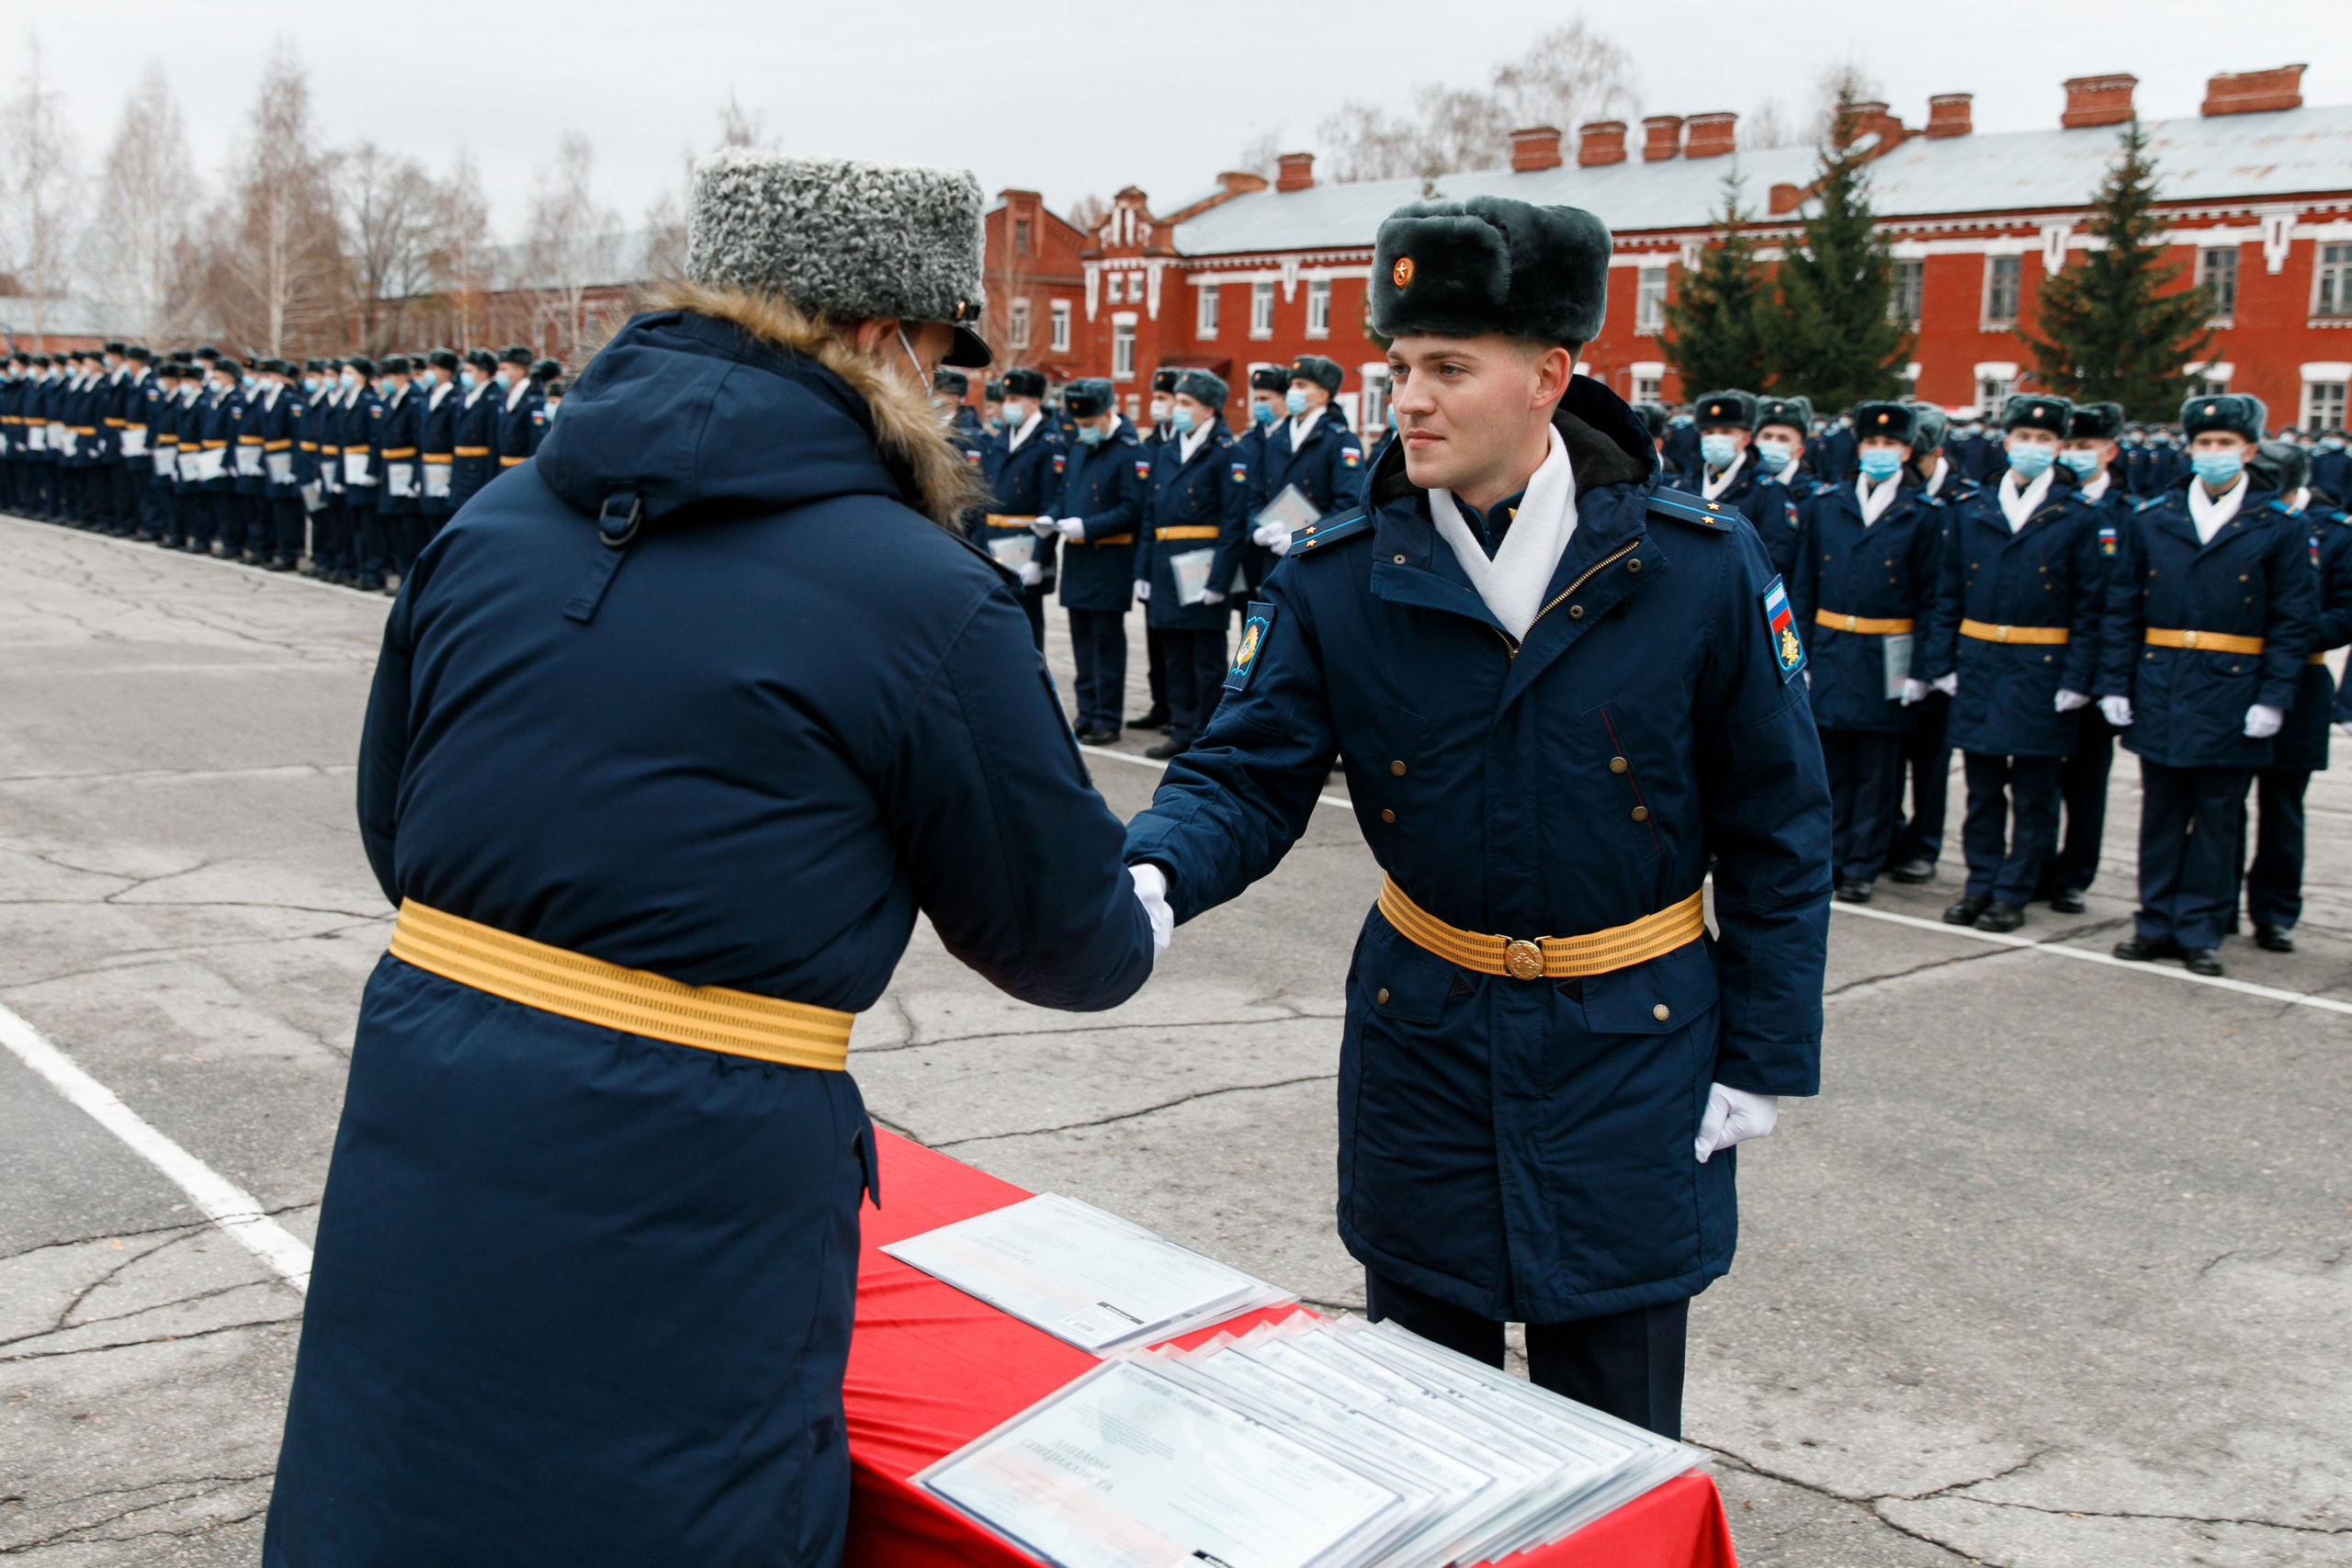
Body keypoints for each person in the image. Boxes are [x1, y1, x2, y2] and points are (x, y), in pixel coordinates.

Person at [265, 151, 1163, 1568]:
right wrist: (1154, 893)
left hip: (429, 1113)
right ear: (877, 341)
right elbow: (1065, 939)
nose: (946, 390)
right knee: (667, 1502)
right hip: (694, 1168)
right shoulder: (924, 592)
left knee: (404, 1469)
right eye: (937, 353)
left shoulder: (491, 526)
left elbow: (404, 835)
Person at [1125, 194, 1829, 1439]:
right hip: (1427, 1041)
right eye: (1399, 367)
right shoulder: (1340, 578)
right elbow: (1244, 771)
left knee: (1609, 1440)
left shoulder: (1701, 572)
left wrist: (1762, 1052)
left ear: (1549, 376)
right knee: (1416, 1427)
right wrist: (1153, 874)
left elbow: (1779, 825)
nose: (1409, 398)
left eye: (1449, 367)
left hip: (1633, 1040)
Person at [2099, 393, 2315, 976]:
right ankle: (2154, 922)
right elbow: (2123, 609)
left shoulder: (2278, 526)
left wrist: (2274, 697)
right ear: (2189, 449)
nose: (2214, 454)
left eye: (2225, 445)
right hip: (2163, 681)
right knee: (2162, 812)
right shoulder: (2153, 518)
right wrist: (2115, 683)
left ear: (2249, 451)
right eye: (2204, 444)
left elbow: (2291, 621)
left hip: (2234, 688)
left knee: (2219, 815)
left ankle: (2200, 928)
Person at [1920, 395, 2104, 931]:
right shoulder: (1974, 507)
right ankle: (1978, 884)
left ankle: (2013, 892)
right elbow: (1947, 593)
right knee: (1981, 791)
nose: (2032, 447)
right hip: (1979, 662)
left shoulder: (2076, 515)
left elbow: (2091, 605)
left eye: (2045, 440)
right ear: (2006, 441)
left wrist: (2077, 678)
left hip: (2041, 670)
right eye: (2024, 437)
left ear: (2059, 447)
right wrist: (1943, 662)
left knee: (2033, 794)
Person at [1792, 400, 1945, 903]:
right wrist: (1801, 655)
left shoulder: (1922, 514)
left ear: (1907, 451)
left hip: (1887, 653)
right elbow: (1805, 587)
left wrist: (1922, 669)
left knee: (1878, 770)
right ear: (1859, 447)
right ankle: (1830, 856)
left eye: (1891, 444)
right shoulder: (1827, 503)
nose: (1880, 451)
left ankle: (1863, 863)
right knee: (1830, 765)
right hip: (1834, 648)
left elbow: (1932, 596)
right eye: (1872, 443)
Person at [2234, 440, 2352, 952]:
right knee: (2222, 804)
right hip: (2236, 677)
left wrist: (2289, 633)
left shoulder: (2336, 535)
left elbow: (2346, 612)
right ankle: (2215, 904)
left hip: (2301, 682)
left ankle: (2275, 911)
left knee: (2282, 808)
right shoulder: (2243, 517)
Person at [2035, 401, 2131, 909]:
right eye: (2066, 445)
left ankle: (2074, 874)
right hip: (2049, 664)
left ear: (2109, 450)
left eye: (2083, 446)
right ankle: (2035, 866)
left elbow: (2122, 601)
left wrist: (2110, 678)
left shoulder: (2127, 511)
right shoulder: (2050, 502)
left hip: (2100, 666)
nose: (2073, 454)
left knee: (2087, 781)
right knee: (2038, 777)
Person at [1133, 368, 1247, 761]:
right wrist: (1143, 572)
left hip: (1203, 565)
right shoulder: (1166, 451)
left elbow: (1234, 522)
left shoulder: (1226, 453)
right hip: (1165, 566)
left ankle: (1207, 731)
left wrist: (1220, 580)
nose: (1177, 410)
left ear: (1209, 409)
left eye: (1185, 404)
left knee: (1206, 659)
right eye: (1176, 402)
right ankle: (1182, 728)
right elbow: (1151, 516)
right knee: (1175, 655)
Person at [1884, 401, 1967, 885]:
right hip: (1892, 649)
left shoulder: (1960, 496)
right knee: (1889, 754)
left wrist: (1937, 663)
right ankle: (1890, 837)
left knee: (1931, 760)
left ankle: (1925, 844)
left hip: (1936, 648)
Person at [1048, 377, 1147, 742]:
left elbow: (1132, 508)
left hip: (1110, 559)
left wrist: (1087, 527)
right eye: (1079, 424)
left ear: (1108, 414)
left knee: (1106, 645)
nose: (1083, 430)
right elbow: (1064, 492)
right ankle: (1087, 712)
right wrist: (1052, 516)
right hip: (1077, 559)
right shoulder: (1078, 448)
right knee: (1081, 642)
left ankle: (1107, 717)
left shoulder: (1128, 450)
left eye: (1089, 424)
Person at [979, 366, 1064, 649]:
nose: (1007, 406)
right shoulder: (1003, 437)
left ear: (1034, 402)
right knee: (997, 628)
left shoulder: (1048, 443)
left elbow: (1050, 504)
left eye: (1014, 400)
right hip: (994, 548)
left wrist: (1039, 560)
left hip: (1026, 549)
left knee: (1027, 631)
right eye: (1006, 400)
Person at [1128, 366, 1183, 734]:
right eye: (1158, 398)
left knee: (1182, 642)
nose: (1160, 405)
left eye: (1166, 398)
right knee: (1154, 636)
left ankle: (1184, 711)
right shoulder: (1152, 443)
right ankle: (1161, 703)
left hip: (1182, 553)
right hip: (1153, 549)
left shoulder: (1185, 441)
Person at [1742, 394, 1811, 579]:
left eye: (1783, 439)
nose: (1773, 443)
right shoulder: (1744, 488)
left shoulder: (1812, 496)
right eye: (1767, 436)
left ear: (1799, 450)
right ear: (1755, 442)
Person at [1674, 389, 1761, 511]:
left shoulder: (1762, 489)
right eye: (1709, 433)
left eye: (1726, 432)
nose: (1716, 438)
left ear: (1745, 438)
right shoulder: (1685, 483)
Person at [415, 348, 462, 547]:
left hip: (445, 468)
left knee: (444, 523)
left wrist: (452, 480)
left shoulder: (454, 398)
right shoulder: (427, 396)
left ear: (445, 372)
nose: (428, 372)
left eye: (433, 368)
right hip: (427, 467)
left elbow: (455, 440)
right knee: (429, 521)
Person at [447, 349, 501, 515]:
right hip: (462, 470)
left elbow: (494, 443)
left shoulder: (492, 399)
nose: (465, 375)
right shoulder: (466, 398)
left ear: (484, 372)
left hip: (479, 471)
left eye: (469, 371)